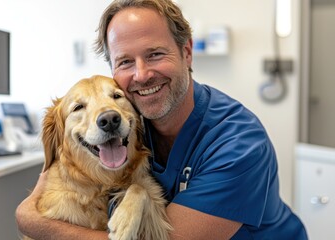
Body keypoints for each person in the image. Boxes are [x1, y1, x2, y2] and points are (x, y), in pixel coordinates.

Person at [16, 0, 308, 239]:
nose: (141, 75)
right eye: (125, 62)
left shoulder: (238, 143)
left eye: (155, 54)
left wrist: (33, 222)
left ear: (187, 52)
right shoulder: (132, 126)